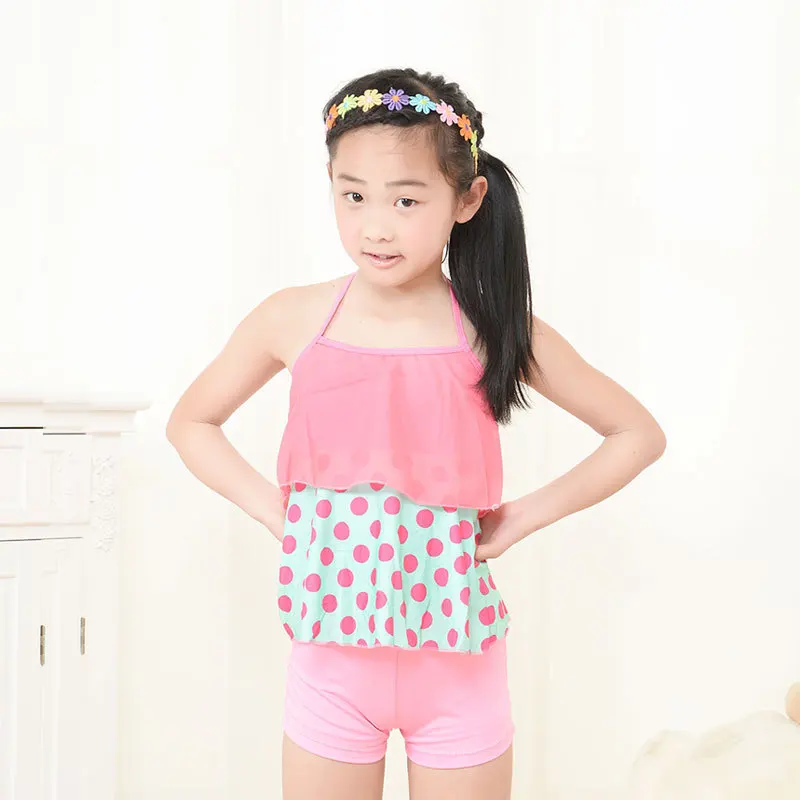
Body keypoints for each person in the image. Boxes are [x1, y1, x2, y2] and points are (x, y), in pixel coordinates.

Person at [166, 66, 667, 800]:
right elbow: (192, 421)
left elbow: (635, 433)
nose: (376, 225)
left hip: (459, 673)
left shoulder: (496, 330)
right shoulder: (293, 317)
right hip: (331, 670)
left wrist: (521, 517)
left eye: (406, 200)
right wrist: (276, 512)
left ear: (467, 200)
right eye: (354, 196)